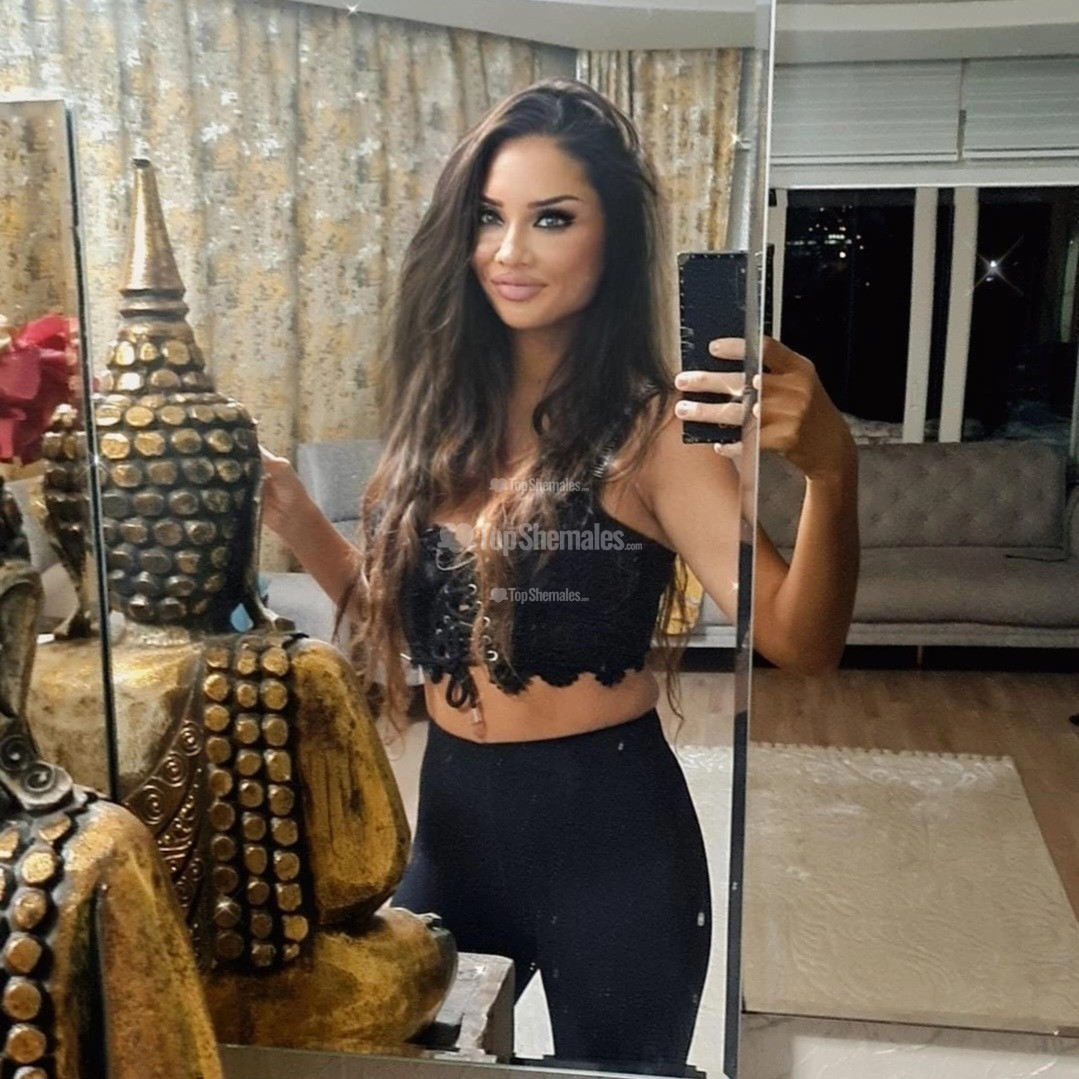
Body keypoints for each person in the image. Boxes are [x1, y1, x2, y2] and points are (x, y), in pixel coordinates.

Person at [260, 78, 858, 1076]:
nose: (509, 249)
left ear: (611, 242)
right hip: (450, 828)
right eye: (487, 216)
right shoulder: (434, 428)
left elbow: (801, 640)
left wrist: (834, 470)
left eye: (550, 217)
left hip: (612, 843)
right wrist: (296, 517)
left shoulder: (652, 433)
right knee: (399, 1058)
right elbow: (400, 625)